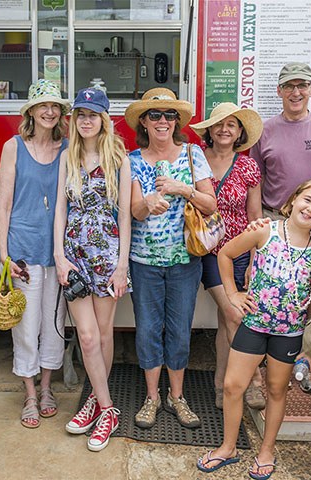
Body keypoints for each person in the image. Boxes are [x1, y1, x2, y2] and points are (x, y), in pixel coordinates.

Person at [197, 179, 311, 480]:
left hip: (289, 332)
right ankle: (228, 447)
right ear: (295, 198)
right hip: (254, 324)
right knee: (234, 386)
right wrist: (233, 294)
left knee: (276, 389)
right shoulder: (265, 230)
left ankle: (266, 450)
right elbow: (225, 254)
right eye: (307, 199)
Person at [124, 88, 217, 430]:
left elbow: (210, 205)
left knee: (179, 332)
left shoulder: (193, 154)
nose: (162, 121)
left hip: (184, 261)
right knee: (148, 331)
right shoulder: (132, 160)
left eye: (168, 115)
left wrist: (183, 189)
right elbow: (133, 212)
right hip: (144, 262)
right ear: (144, 123)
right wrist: (146, 203)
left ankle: (177, 396)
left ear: (176, 121)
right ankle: (152, 397)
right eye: (155, 115)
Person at [55, 88, 131, 451]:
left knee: (102, 336)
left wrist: (121, 265)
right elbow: (59, 210)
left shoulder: (118, 158)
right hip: (74, 255)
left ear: (104, 119)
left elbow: (127, 218)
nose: (86, 120)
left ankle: (94, 401)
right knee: (85, 337)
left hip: (107, 256)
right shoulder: (66, 157)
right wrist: (59, 256)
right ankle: (108, 409)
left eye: (93, 113)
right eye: (81, 113)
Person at [0, 79, 70, 429]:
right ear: (31, 111)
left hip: (57, 250)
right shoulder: (14, 147)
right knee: (25, 327)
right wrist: (4, 256)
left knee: (54, 324)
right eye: (43, 105)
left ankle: (46, 388)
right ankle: (28, 391)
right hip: (23, 249)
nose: (50, 110)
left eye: (55, 106)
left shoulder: (68, 148)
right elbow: (5, 206)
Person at [189, 102, 266, 411]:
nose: (224, 129)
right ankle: (255, 381)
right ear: (209, 130)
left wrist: (255, 261)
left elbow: (255, 215)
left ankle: (221, 384)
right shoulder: (196, 160)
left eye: (231, 124)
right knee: (236, 313)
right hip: (208, 250)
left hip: (241, 252)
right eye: (219, 124)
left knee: (225, 322)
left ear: (239, 132)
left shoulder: (248, 167)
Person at [249, 62, 311, 219]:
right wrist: (256, 220)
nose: (296, 93)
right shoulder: (264, 131)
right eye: (289, 86)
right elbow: (257, 181)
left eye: (302, 85)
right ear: (279, 91)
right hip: (274, 217)